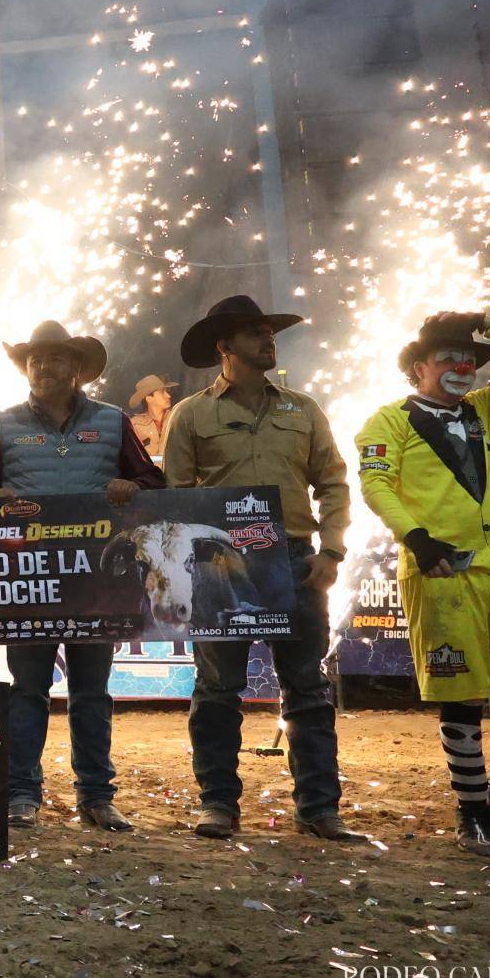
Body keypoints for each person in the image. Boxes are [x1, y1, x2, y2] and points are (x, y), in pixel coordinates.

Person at [357, 312, 490, 860]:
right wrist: (416, 538)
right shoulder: (387, 421)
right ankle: (472, 809)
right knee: (461, 695)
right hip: (440, 573)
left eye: (468, 360)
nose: (462, 367)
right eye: (448, 358)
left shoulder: (481, 413)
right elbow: (375, 484)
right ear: (416, 368)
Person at [162, 296, 363, 842]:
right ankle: (218, 805)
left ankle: (320, 808)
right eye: (254, 334)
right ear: (224, 347)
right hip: (219, 566)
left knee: (307, 688)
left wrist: (332, 552)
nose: (268, 340)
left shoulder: (304, 409)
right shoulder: (189, 415)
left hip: (296, 559)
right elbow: (176, 500)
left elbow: (334, 484)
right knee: (217, 688)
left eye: (269, 332)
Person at [0, 320, 163, 832]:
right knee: (27, 687)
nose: (43, 367)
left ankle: (96, 795)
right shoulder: (0, 424)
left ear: (76, 368)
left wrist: (130, 484)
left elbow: (153, 479)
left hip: (96, 576)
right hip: (27, 576)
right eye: (34, 359)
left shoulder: (113, 421)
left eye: (54, 359)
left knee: (92, 690)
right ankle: (20, 793)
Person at [128, 374, 177, 460]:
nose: (168, 395)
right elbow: (132, 458)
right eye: (162, 392)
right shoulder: (134, 425)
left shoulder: (177, 418)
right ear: (149, 398)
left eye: (167, 391)